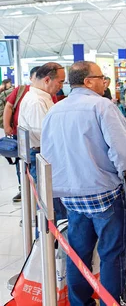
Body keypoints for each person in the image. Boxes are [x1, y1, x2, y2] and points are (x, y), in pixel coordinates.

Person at [42, 61, 126, 306]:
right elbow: (120, 150)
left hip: (71, 195)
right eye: (101, 77)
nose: (104, 82)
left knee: (78, 254)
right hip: (105, 192)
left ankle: (80, 302)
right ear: (87, 81)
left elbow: (48, 153)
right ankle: (110, 302)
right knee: (111, 254)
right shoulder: (102, 106)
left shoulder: (55, 110)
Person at [19, 62, 67, 220]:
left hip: (43, 155)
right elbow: (45, 136)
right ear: (47, 80)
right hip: (43, 156)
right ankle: (53, 243)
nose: (61, 86)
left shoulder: (42, 98)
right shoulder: (36, 102)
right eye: (60, 81)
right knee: (54, 211)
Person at [4, 67, 42, 202]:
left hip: (37, 138)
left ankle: (36, 191)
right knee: (21, 163)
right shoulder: (21, 89)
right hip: (20, 134)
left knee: (36, 166)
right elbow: (9, 106)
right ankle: (23, 188)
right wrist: (7, 125)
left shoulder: (47, 93)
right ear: (31, 78)